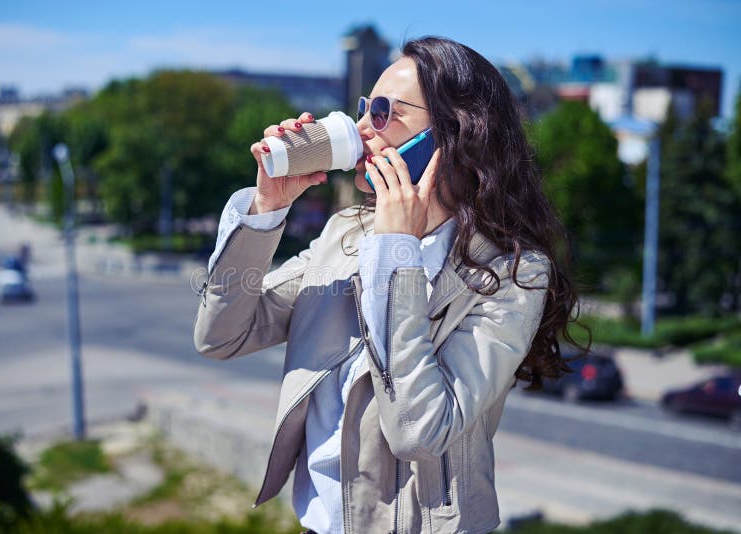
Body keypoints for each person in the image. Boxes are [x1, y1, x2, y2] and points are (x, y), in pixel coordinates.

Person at [194, 36, 589, 534]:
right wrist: (266, 210)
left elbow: (420, 432)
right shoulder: (346, 235)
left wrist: (397, 253)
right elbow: (220, 335)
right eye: (364, 108)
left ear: (457, 134)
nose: (361, 129)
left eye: (382, 112)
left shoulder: (512, 274)